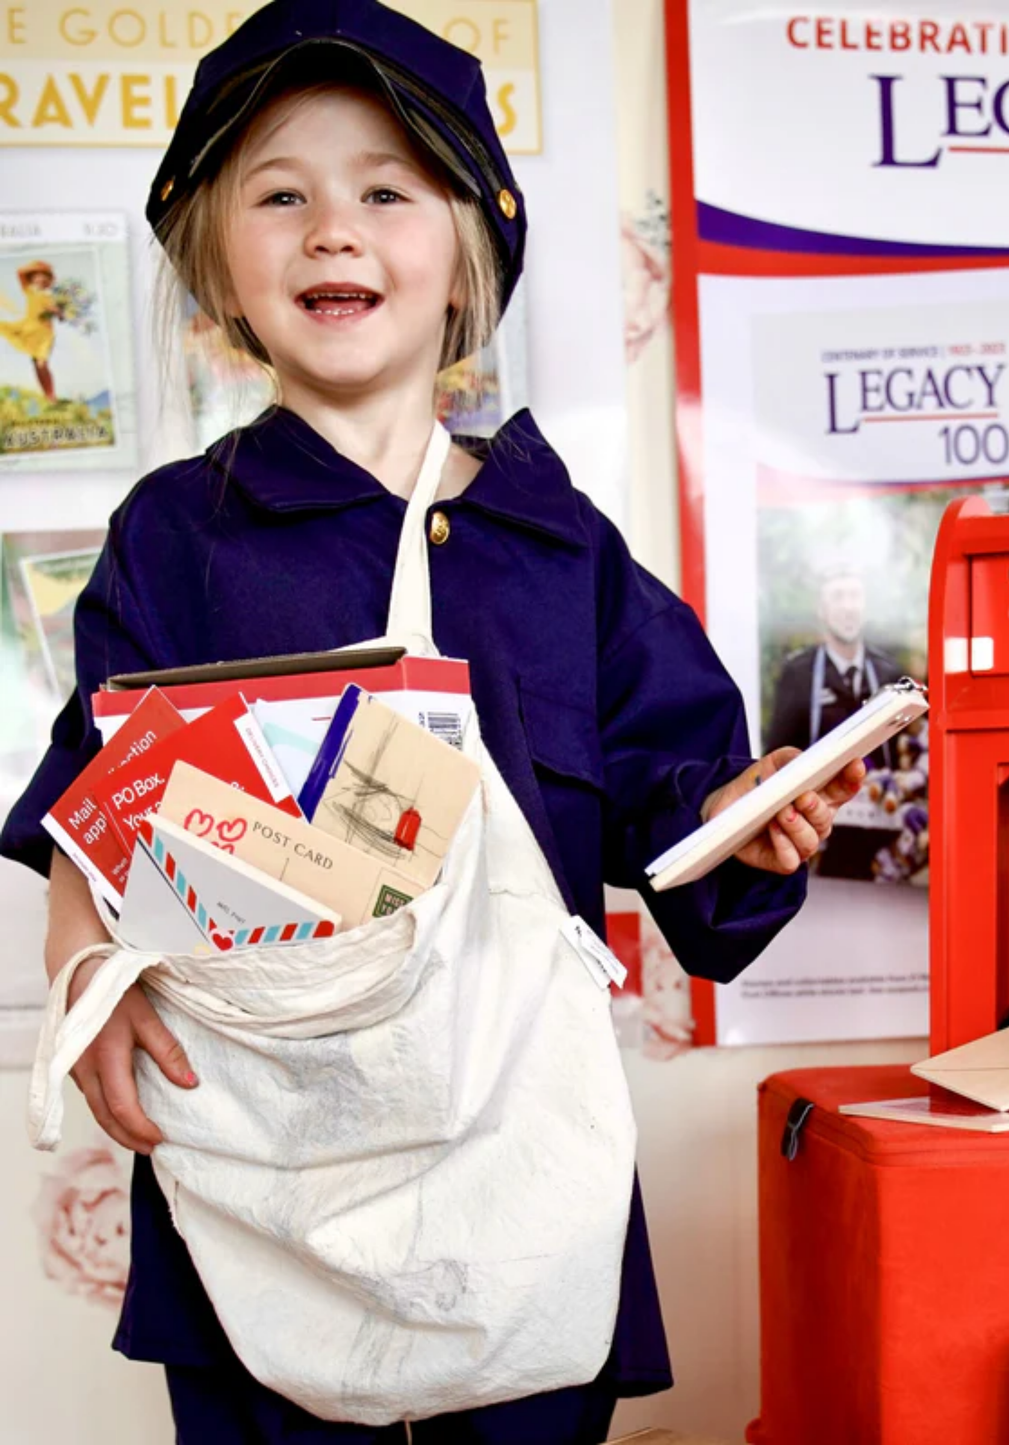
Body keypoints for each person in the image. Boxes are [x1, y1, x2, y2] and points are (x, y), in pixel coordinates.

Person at [0, 4, 863, 1439]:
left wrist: (758, 824)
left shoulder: (558, 545)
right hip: (251, 1160)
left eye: (387, 190)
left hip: (516, 1164)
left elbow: (688, 823)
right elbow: (99, 820)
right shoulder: (172, 538)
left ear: (465, 263)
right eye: (280, 194)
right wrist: (89, 986)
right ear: (219, 273)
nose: (333, 228)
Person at [765, 565, 906, 766]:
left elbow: (906, 753)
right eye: (838, 597)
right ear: (821, 610)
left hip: (882, 794)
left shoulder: (889, 673)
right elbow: (777, 758)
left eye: (855, 596)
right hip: (818, 795)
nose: (848, 607)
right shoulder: (798, 675)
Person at [0, 260, 61, 402]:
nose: (39, 279)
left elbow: (60, 314)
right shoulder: (29, 291)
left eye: (42, 276)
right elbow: (20, 272)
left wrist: (57, 311)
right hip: (28, 330)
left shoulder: (51, 296)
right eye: (36, 276)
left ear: (47, 280)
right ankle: (48, 396)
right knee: (37, 365)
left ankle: (51, 395)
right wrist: (41, 266)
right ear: (32, 279)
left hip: (45, 334)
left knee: (41, 364)